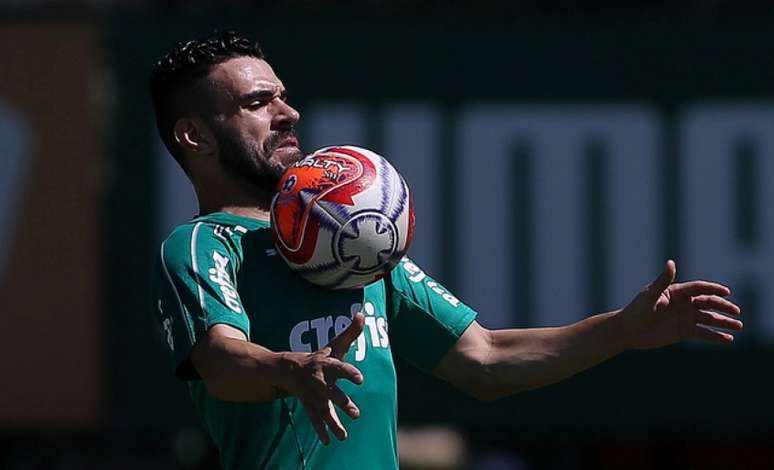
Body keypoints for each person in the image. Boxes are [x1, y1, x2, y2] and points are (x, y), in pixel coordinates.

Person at [149, 31, 743, 470]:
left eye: (283, 96)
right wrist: (290, 369)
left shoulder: (352, 241)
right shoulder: (204, 245)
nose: (289, 113)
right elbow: (221, 363)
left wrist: (617, 331)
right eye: (258, 102)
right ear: (194, 136)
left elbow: (483, 360)